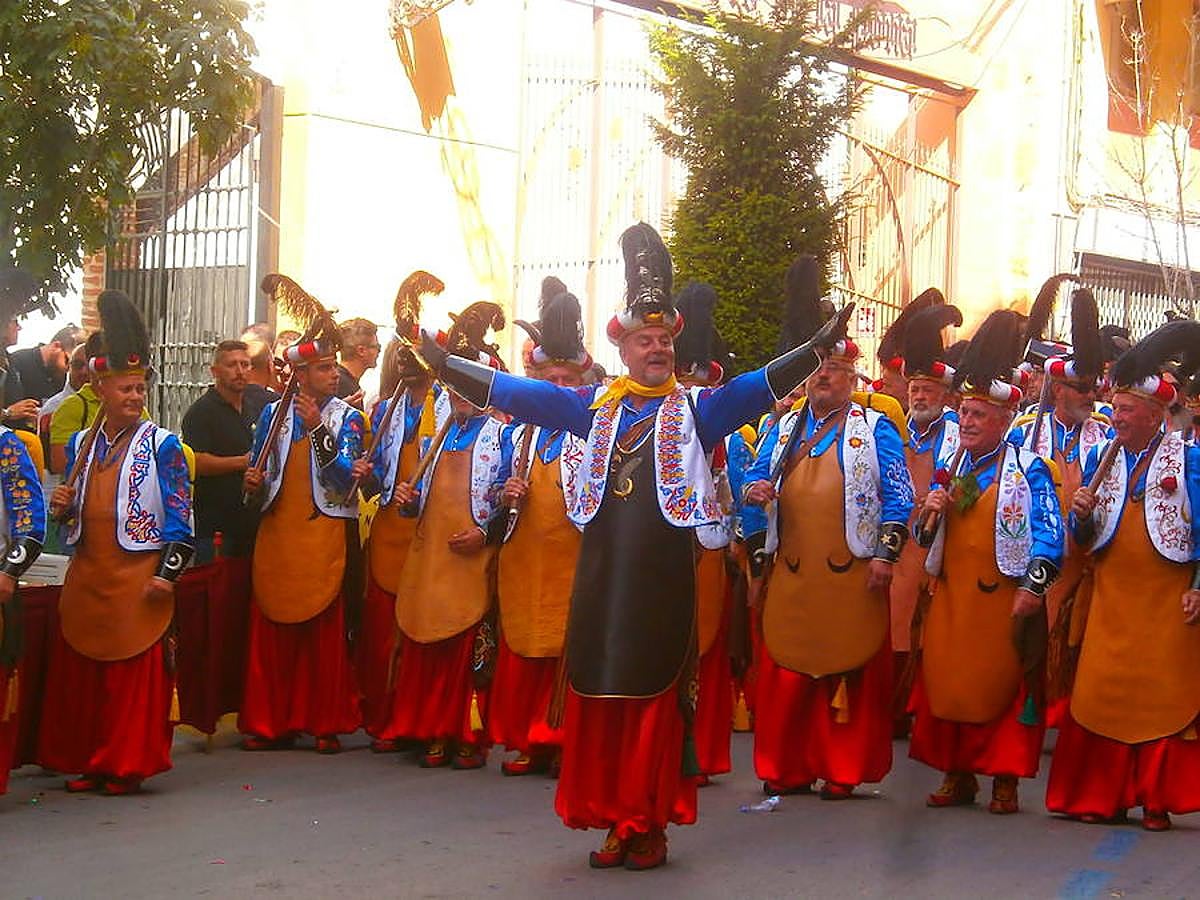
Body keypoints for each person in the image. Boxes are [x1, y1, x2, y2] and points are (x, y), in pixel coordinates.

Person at [421, 224, 851, 870]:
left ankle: (647, 821)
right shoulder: (593, 408)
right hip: (601, 585)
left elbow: (756, 387)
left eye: (664, 340)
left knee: (652, 704)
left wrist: (814, 352)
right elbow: (520, 395)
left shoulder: (696, 411)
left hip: (661, 590)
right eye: (645, 340)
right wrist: (448, 365)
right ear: (623, 348)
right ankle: (614, 818)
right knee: (603, 697)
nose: (657, 349)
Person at [744, 323, 913, 800]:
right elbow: (755, 477)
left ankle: (842, 767)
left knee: (849, 668)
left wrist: (886, 554)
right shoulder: (783, 427)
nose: (825, 377)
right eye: (818, 368)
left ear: (853, 378)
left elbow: (899, 494)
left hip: (851, 572)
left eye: (836, 370)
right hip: (793, 570)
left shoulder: (876, 428)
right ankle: (787, 765)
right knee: (788, 671)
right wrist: (754, 491)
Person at [38, 290, 194, 795]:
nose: (134, 397)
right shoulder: (81, 445)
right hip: (90, 574)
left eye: (139, 388)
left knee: (129, 676)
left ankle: (125, 763)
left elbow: (181, 519)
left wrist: (165, 576)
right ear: (100, 389)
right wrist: (62, 507)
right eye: (124, 389)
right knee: (89, 672)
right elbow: (67, 522)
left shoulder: (164, 446)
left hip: (136, 577)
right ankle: (92, 758)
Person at [1046, 320, 1200, 831]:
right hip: (1111, 603)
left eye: (1128, 411)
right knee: (1101, 697)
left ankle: (1156, 798)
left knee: (1161, 698)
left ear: (1157, 415)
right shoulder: (1099, 458)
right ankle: (1101, 796)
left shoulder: (1191, 462)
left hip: (1165, 602)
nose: (1117, 419)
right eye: (1115, 410)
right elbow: (1083, 536)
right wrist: (1081, 513)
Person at [910, 309, 1064, 815]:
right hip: (953, 599)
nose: (967, 422)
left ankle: (1003, 778)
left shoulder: (1028, 471)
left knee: (1000, 685)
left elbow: (1050, 534)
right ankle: (957, 774)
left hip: (1002, 600)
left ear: (1003, 420)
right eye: (965, 414)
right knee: (951, 682)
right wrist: (929, 513)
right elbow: (924, 535)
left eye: (978, 416)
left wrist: (1033, 587)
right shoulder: (950, 469)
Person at [380, 305, 507, 770]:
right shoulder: (439, 433)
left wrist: (484, 531)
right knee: (424, 637)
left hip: (472, 557)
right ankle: (427, 727)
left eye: (468, 388)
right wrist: (408, 499)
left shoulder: (502, 435)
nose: (458, 397)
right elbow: (420, 501)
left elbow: (512, 501)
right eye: (454, 387)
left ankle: (465, 732)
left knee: (466, 643)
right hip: (432, 556)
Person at [240, 284, 365, 754]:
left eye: (334, 367)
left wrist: (316, 427)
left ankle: (324, 720)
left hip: (322, 531)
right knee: (273, 623)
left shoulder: (347, 419)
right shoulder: (271, 414)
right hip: (278, 533)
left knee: (321, 628)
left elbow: (342, 479)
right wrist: (250, 484)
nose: (334, 376)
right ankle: (271, 721)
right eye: (325, 368)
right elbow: (258, 472)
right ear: (300, 374)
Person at [488, 290, 592, 776]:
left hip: (575, 559)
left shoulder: (596, 434)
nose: (557, 387)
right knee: (527, 645)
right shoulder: (516, 435)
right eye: (549, 380)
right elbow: (483, 497)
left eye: (567, 380)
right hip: (526, 557)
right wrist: (504, 495)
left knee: (569, 647)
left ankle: (568, 736)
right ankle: (531, 736)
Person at [1006, 288, 1111, 723]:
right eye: (1081, 388)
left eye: (1093, 388)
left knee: (1075, 645)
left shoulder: (1105, 434)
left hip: (1087, 561)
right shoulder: (1025, 429)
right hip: (1036, 558)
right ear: (1060, 388)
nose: (1090, 396)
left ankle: (1067, 710)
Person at [353, 269, 442, 752]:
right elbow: (371, 482)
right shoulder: (381, 409)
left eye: (417, 358)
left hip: (429, 533)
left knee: (423, 628)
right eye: (401, 357)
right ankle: (384, 717)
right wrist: (364, 471)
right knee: (383, 629)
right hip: (388, 532)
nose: (409, 366)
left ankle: (417, 719)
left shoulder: (449, 408)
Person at [672, 282, 738, 783]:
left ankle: (701, 749)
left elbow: (729, 483)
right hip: (663, 544)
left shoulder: (717, 427)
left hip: (706, 542)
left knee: (705, 643)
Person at [888, 304, 962, 735]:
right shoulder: (892, 429)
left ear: (946, 394)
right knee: (892, 624)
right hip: (898, 543)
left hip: (937, 546)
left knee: (928, 628)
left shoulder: (958, 435)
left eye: (928, 388)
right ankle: (894, 705)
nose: (919, 395)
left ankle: (923, 707)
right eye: (914, 386)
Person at [182, 340, 267, 563]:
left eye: (245, 364)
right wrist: (242, 462)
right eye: (231, 365)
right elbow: (196, 461)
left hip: (251, 524)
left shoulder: (255, 407)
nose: (240, 371)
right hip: (216, 528)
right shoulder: (201, 412)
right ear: (215, 371)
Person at [8, 324, 84, 410]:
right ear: (56, 346)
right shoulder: (16, 362)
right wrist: (9, 412)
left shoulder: (60, 377)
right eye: (67, 361)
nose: (68, 370)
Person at [336, 317, 380, 407]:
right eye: (376, 347)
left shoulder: (343, 381)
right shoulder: (340, 384)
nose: (379, 351)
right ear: (361, 351)